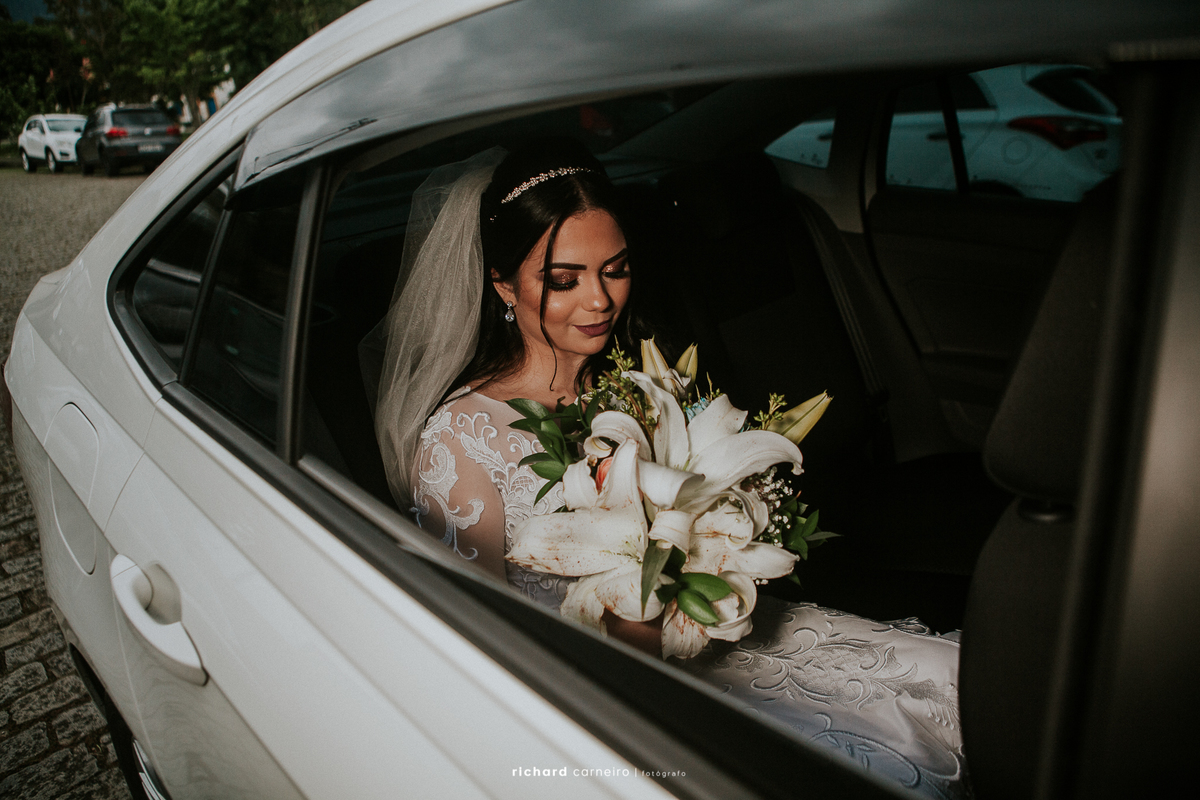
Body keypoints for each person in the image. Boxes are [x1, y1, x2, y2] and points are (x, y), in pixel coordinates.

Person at [374, 140, 967, 799]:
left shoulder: (640, 379)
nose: (599, 301)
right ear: (503, 284)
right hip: (597, 689)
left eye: (616, 269)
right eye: (564, 280)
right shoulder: (460, 439)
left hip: (716, 631)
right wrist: (632, 631)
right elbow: (479, 644)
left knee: (951, 684)